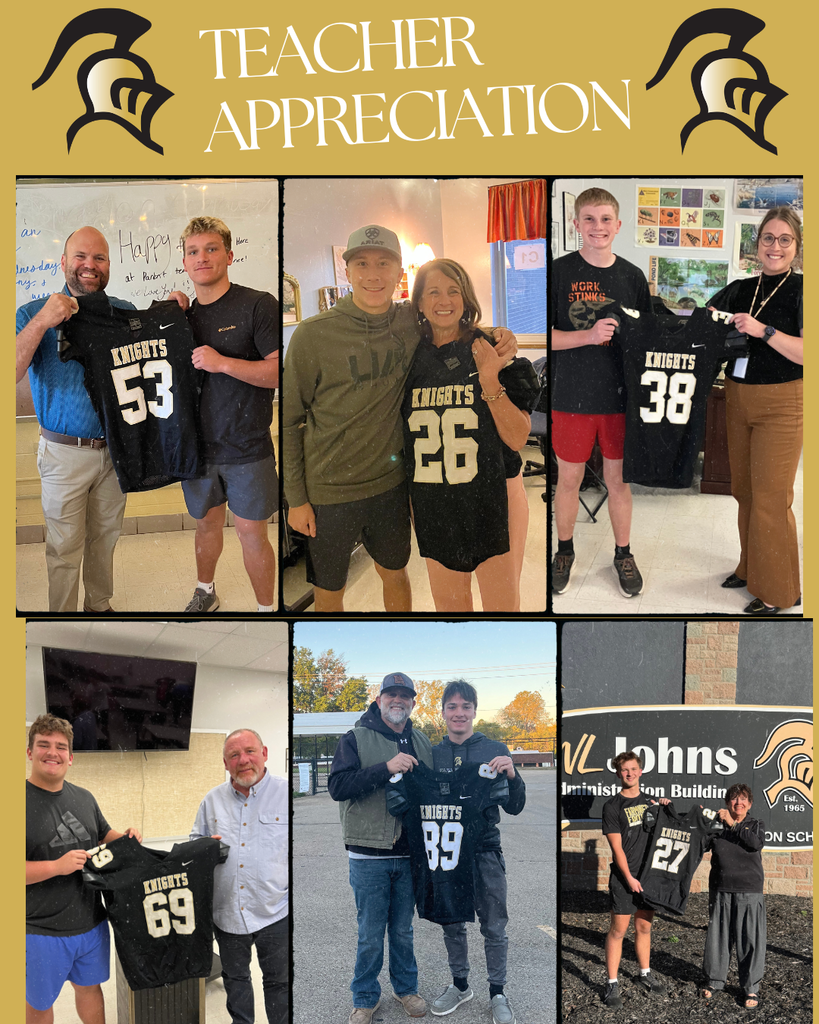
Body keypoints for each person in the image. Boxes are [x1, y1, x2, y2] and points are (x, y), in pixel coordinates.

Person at [283, 224, 517, 613]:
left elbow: (450, 322)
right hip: (328, 490)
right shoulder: (312, 335)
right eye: (362, 264)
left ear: (398, 273)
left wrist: (496, 332)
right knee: (329, 593)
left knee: (396, 576)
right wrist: (297, 499)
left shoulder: (410, 323)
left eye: (383, 264)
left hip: (390, 488)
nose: (373, 274)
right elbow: (291, 421)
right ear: (347, 271)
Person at [404, 260, 538, 612]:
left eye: (454, 291)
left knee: (502, 608)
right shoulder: (406, 354)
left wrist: (490, 380)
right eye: (433, 291)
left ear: (466, 298)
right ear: (418, 301)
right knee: (449, 608)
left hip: (493, 494)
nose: (444, 300)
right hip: (435, 499)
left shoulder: (490, 346)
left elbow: (517, 438)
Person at [15, 227, 135, 613]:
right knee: (64, 547)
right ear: (64, 263)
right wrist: (42, 324)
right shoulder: (32, 312)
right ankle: (61, 620)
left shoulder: (125, 313)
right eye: (80, 257)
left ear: (109, 266)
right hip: (63, 454)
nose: (89, 266)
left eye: (99, 258)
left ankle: (99, 607)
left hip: (115, 452)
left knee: (106, 538)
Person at [550, 188, 652, 599]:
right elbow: (547, 338)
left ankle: (623, 553)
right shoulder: (558, 273)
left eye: (605, 219)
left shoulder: (632, 276)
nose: (598, 227)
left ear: (619, 225)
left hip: (620, 399)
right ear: (576, 224)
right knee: (569, 479)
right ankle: (564, 551)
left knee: (617, 481)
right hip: (571, 396)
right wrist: (588, 336)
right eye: (589, 219)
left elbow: (646, 337)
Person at [175, 216, 280, 613]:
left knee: (252, 533)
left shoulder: (257, 304)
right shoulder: (179, 317)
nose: (202, 258)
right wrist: (167, 309)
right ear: (185, 262)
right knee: (206, 525)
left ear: (229, 255)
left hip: (247, 447)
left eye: (212, 249)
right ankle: (205, 590)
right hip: (197, 450)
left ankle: (267, 610)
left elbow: (276, 373)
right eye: (193, 251)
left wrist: (223, 363)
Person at [709, 207, 803, 614]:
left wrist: (762, 330)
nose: (775, 246)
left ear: (797, 247)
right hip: (737, 395)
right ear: (757, 243)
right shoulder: (740, 288)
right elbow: (703, 323)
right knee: (743, 491)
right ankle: (750, 569)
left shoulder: (803, 290)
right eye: (768, 238)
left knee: (770, 497)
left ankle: (781, 591)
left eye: (785, 239)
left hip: (784, 402)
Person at [327, 673, 434, 1024]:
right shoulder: (355, 738)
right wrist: (386, 768)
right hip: (368, 853)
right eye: (392, 694)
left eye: (405, 695)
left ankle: (406, 989)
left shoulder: (421, 740)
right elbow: (338, 786)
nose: (398, 700)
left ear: (413, 702)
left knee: (403, 931)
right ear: (379, 699)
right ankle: (364, 997)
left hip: (409, 855)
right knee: (371, 934)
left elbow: (432, 793)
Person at [26, 713, 142, 1024]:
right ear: (30, 752)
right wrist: (56, 866)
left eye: (61, 747)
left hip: (91, 922)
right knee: (39, 1004)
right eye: (44, 745)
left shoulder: (84, 798)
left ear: (71, 757)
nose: (53, 753)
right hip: (39, 931)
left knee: (90, 990)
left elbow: (105, 834)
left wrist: (127, 837)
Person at [429, 680, 526, 1024]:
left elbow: (516, 806)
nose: (459, 713)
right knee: (453, 923)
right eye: (452, 707)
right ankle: (460, 985)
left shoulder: (494, 749)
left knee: (494, 925)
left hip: (485, 849)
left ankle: (497, 991)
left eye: (465, 706)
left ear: (474, 710)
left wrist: (513, 776)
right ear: (442, 712)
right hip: (448, 850)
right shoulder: (432, 753)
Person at [190, 728, 289, 1024]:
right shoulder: (212, 801)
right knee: (236, 980)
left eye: (249, 751)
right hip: (228, 911)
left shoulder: (284, 795)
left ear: (265, 754)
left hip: (275, 911)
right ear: (225, 762)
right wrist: (204, 848)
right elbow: (194, 846)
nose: (243, 760)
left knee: (279, 983)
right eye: (234, 755)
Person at [600, 751, 668, 1009]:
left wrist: (666, 808)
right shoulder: (612, 806)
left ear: (640, 771)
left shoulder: (651, 803)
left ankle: (644, 974)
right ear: (618, 774)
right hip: (624, 877)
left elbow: (669, 830)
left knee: (644, 928)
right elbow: (616, 849)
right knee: (618, 931)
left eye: (633, 769)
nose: (629, 773)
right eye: (624, 770)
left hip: (647, 876)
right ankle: (612, 982)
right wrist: (628, 878)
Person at [701, 783, 766, 1009]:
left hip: (749, 891)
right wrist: (697, 823)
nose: (738, 803)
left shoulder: (755, 825)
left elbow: (754, 844)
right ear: (727, 802)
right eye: (734, 799)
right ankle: (715, 981)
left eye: (743, 799)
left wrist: (732, 822)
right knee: (718, 939)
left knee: (749, 941)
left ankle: (751, 988)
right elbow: (698, 846)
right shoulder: (716, 826)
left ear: (749, 804)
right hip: (721, 890)